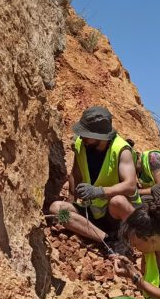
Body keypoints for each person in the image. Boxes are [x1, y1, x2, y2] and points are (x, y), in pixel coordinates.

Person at [49, 106, 140, 249]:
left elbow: (130, 186)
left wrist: (98, 191)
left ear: (99, 136)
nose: (82, 137)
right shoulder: (81, 144)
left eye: (86, 134)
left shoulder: (122, 150)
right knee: (57, 209)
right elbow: (76, 174)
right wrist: (72, 200)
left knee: (118, 201)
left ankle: (129, 238)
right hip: (93, 211)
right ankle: (107, 239)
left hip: (117, 216)